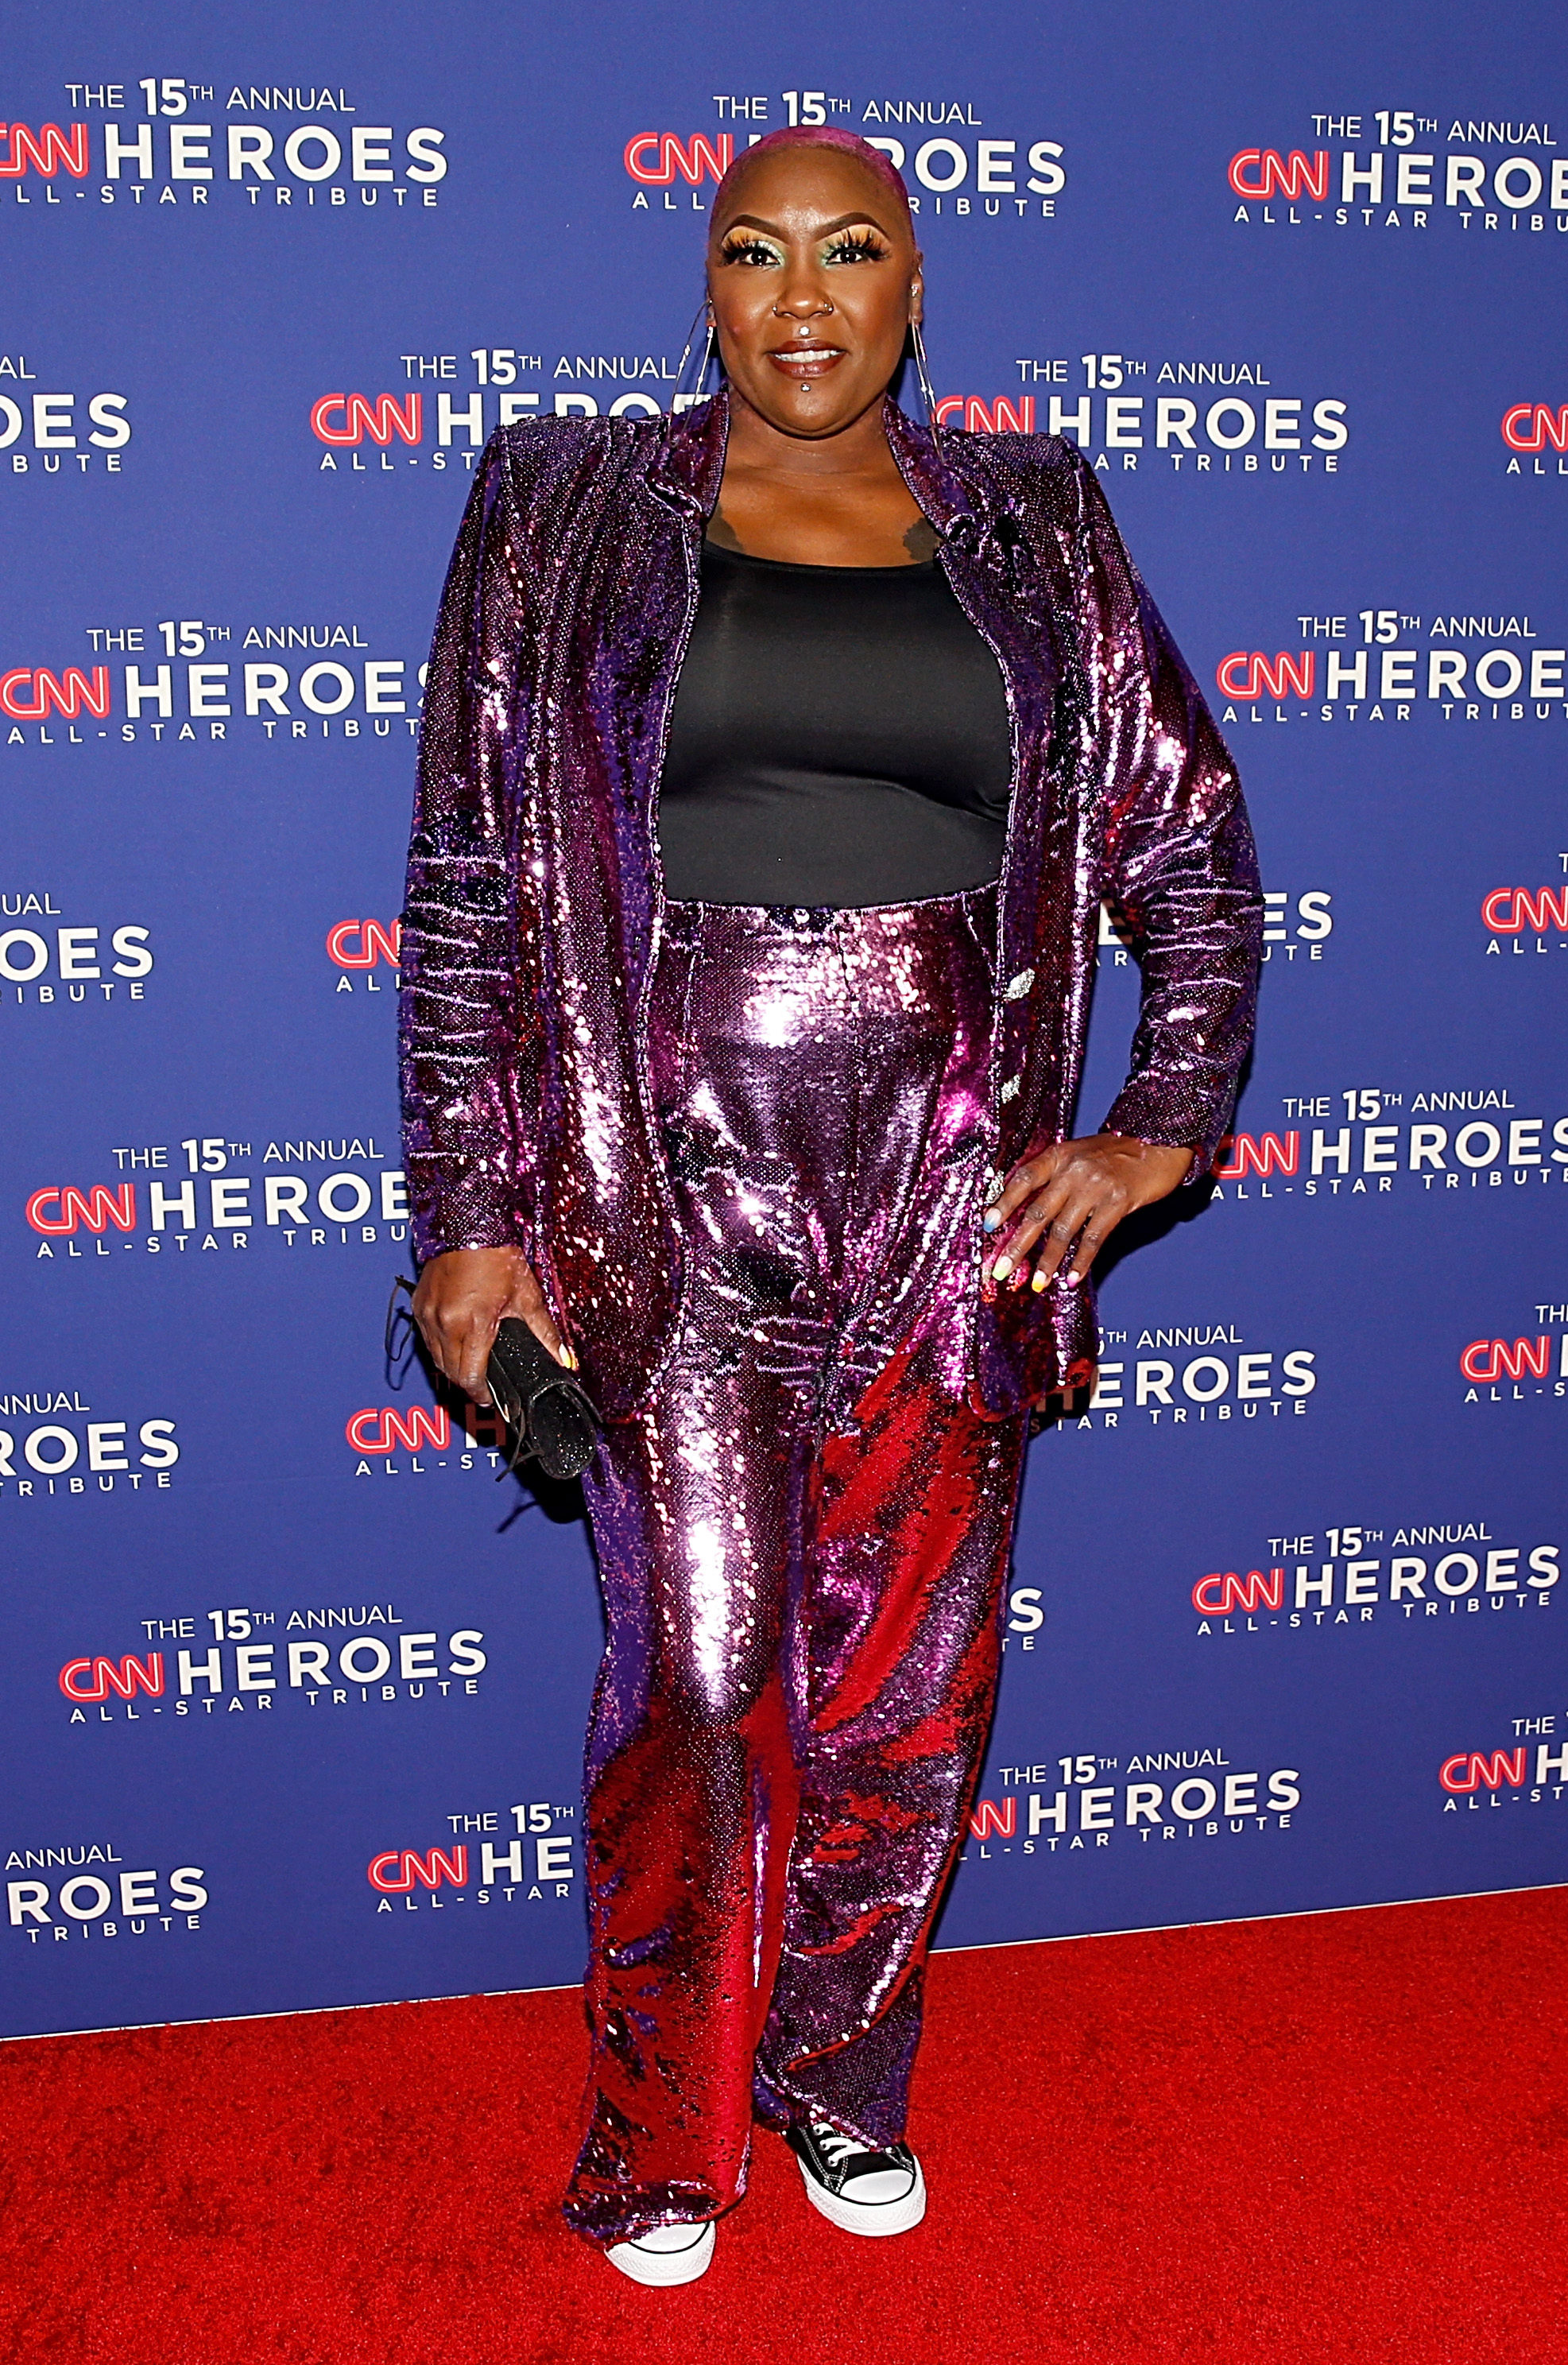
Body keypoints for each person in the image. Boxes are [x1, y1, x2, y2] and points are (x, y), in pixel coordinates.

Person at [401, 127, 1261, 2286]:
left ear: (915, 290)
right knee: (699, 1690)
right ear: (704, 286)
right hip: (661, 1202)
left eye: (852, 249)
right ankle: (660, 2133)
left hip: (954, 1201)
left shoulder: (1039, 523)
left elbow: (1189, 840)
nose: (803, 296)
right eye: (755, 250)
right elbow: (472, 887)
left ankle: (836, 2076)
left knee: (907, 1700)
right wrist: (467, 1210)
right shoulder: (561, 513)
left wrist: (1163, 1115)